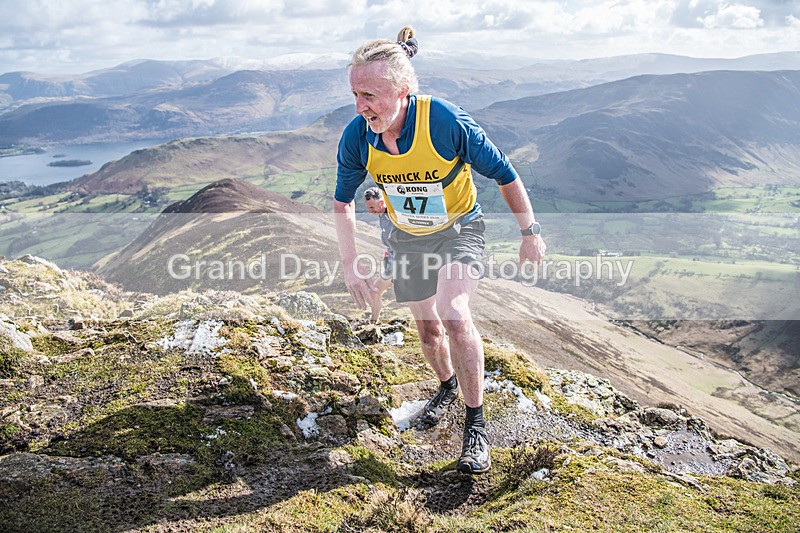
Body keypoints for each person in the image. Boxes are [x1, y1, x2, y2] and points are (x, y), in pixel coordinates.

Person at [334, 26, 546, 474]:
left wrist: (531, 233)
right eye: (355, 94)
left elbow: (505, 174)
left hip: (458, 229)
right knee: (429, 331)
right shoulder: (357, 137)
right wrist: (352, 267)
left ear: (403, 91)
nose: (360, 107)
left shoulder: (446, 122)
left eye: (370, 95)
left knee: (454, 311)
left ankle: (476, 424)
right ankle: (446, 387)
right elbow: (342, 203)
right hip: (407, 236)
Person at [364, 186, 395, 323]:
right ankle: (373, 322)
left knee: (375, 291)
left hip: (402, 263)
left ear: (381, 203)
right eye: (368, 208)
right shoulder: (382, 215)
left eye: (372, 207)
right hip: (392, 261)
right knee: (375, 291)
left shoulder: (393, 215)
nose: (369, 211)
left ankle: (373, 323)